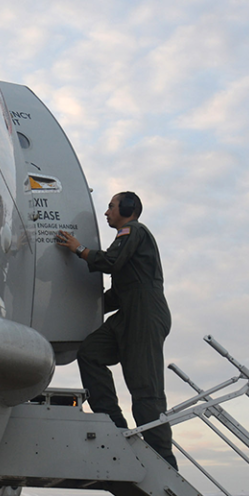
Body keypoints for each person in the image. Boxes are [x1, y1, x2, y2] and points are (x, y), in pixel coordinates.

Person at [55, 192, 176, 469]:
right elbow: (117, 294)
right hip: (128, 315)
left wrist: (78, 249)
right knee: (90, 352)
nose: (107, 211)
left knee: (145, 389)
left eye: (111, 206)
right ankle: (114, 426)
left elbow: (110, 262)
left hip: (144, 316)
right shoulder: (128, 236)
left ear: (128, 208)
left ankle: (163, 463)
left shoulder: (132, 230)